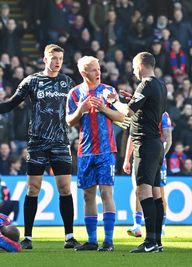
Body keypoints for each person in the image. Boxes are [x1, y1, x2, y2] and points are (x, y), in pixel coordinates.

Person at [0, 44, 80, 249]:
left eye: (60, 59)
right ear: (45, 59)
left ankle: (69, 236)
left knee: (65, 188)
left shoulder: (68, 83)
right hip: (37, 143)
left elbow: (76, 109)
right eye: (53, 58)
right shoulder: (32, 81)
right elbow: (11, 103)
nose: (57, 62)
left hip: (60, 143)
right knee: (33, 189)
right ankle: (27, 237)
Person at [106, 52, 167, 253]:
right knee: (156, 194)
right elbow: (146, 109)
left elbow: (128, 112)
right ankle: (157, 241)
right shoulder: (160, 85)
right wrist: (131, 99)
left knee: (143, 191)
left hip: (145, 143)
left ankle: (149, 241)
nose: (132, 71)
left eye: (133, 67)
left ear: (140, 66)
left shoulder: (146, 84)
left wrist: (114, 101)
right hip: (156, 144)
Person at [66, 56, 125, 252]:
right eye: (93, 70)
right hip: (85, 151)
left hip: (106, 150)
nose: (98, 72)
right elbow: (68, 121)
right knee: (88, 196)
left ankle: (108, 241)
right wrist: (81, 109)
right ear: (84, 73)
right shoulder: (74, 94)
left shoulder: (108, 91)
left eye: (99, 68)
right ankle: (92, 241)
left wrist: (104, 109)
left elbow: (121, 116)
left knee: (106, 193)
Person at [124, 112, 172, 238]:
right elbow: (132, 136)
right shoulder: (137, 112)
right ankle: (137, 225)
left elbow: (168, 139)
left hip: (156, 157)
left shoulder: (163, 115)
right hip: (139, 157)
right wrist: (126, 159)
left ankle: (160, 226)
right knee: (138, 191)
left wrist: (160, 157)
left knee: (159, 193)